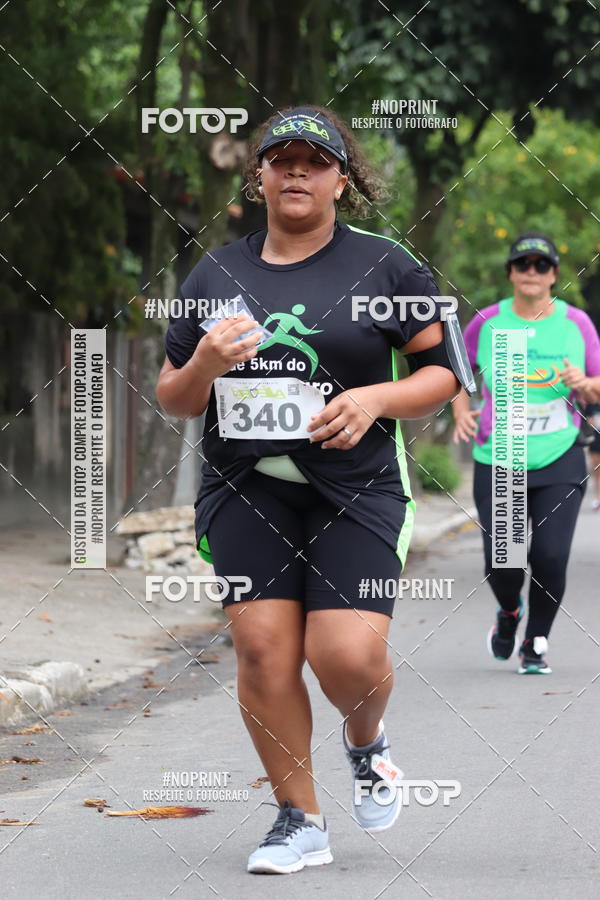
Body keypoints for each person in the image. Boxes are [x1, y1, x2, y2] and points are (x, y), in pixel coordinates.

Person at [157, 105, 465, 874]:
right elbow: (174, 396)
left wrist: (374, 399)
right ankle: (299, 820)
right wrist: (205, 366)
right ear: (258, 176)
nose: (298, 170)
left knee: (346, 657)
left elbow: (444, 375)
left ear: (342, 180)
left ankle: (367, 743)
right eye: (281, 159)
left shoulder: (387, 266)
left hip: (356, 485)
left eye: (316, 161)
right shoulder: (214, 274)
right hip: (246, 483)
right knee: (263, 650)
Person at [452, 232, 600, 674]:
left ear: (554, 274)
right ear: (511, 273)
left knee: (551, 556)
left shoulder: (577, 323)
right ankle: (509, 611)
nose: (531, 272)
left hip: (560, 456)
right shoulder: (487, 322)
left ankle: (535, 643)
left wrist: (585, 384)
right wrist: (460, 410)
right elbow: (455, 371)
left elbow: (598, 382)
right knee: (505, 563)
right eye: (523, 264)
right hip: (500, 458)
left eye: (541, 265)